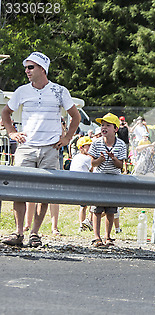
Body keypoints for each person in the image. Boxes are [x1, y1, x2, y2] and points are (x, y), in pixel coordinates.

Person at [1, 52, 81, 247]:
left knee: (44, 192)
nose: (27, 71)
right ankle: (19, 232)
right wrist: (12, 133)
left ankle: (35, 233)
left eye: (31, 67)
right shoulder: (21, 91)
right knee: (18, 190)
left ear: (42, 69)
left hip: (50, 148)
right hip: (26, 147)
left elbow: (76, 117)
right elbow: (5, 112)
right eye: (26, 68)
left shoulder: (59, 91)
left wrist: (67, 138)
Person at [88, 113, 127, 247]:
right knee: (97, 210)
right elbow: (92, 163)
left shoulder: (121, 145)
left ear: (115, 129)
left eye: (107, 125)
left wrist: (113, 158)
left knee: (111, 211)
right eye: (102, 125)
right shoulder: (96, 143)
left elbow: (121, 165)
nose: (104, 128)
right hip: (99, 180)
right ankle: (96, 237)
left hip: (113, 181)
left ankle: (108, 236)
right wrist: (100, 159)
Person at [69, 136, 94, 231]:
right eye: (88, 146)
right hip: (84, 185)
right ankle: (88, 221)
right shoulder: (86, 158)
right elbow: (93, 170)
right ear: (81, 148)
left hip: (77, 185)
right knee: (94, 204)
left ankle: (82, 225)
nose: (90, 148)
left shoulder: (76, 157)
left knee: (83, 206)